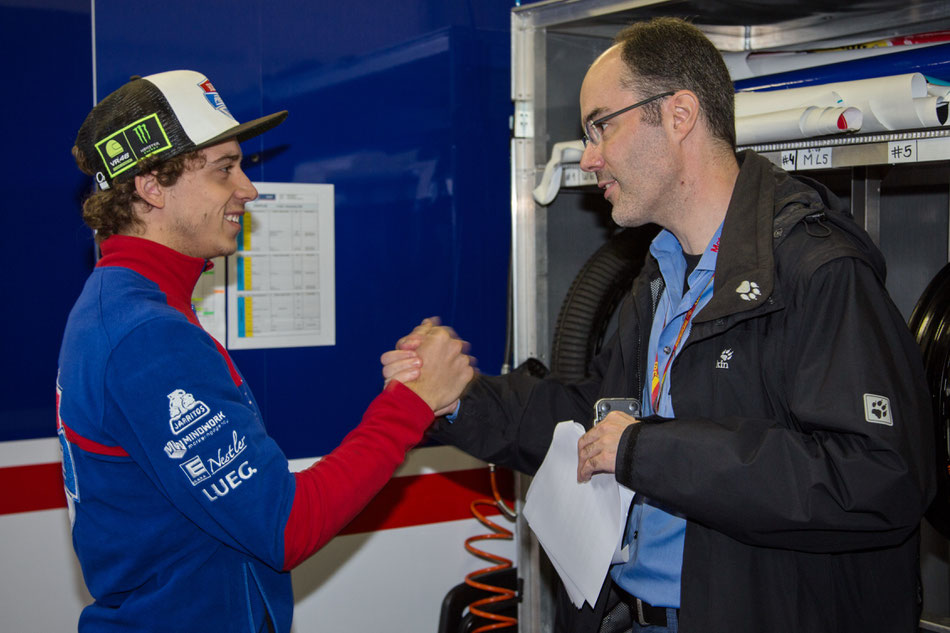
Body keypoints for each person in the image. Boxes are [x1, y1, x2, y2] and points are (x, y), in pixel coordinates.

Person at [382, 17, 935, 633]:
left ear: (679, 115)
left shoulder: (815, 269)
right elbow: (595, 419)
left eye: (601, 126)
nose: (589, 157)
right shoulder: (660, 276)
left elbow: (877, 478)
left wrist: (648, 451)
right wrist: (461, 399)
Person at [57, 70, 474, 633]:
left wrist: (406, 398)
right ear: (152, 185)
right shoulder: (146, 334)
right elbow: (285, 528)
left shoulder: (126, 307)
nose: (248, 189)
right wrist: (410, 408)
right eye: (224, 168)